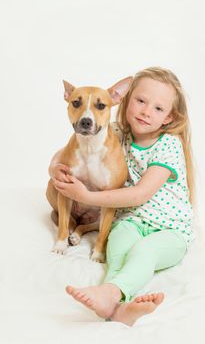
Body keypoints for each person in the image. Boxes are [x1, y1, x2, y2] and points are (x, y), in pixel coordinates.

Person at [51, 66, 195, 326]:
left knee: (144, 252)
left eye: (158, 108)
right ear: (125, 101)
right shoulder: (115, 132)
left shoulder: (168, 145)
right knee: (116, 252)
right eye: (140, 101)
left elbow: (139, 194)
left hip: (169, 230)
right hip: (129, 221)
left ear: (169, 118)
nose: (146, 111)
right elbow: (64, 153)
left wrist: (86, 196)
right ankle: (118, 309)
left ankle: (112, 294)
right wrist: (53, 168)